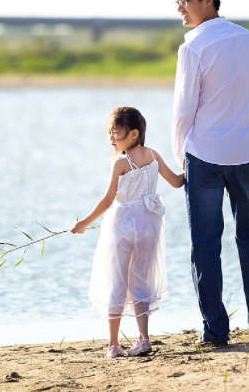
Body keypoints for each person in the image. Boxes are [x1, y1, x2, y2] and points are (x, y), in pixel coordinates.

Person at [172, 0, 249, 346]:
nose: (181, 9)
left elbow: (183, 112)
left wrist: (179, 152)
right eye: (177, 3)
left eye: (185, 1)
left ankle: (216, 332)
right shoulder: (248, 39)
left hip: (203, 154)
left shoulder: (192, 48)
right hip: (243, 152)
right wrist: (247, 139)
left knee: (205, 243)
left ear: (209, 0)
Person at [71, 107, 185, 358]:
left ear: (134, 134)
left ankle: (113, 344)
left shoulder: (121, 163)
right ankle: (143, 339)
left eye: (117, 133)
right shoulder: (153, 155)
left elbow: (107, 200)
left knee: (117, 278)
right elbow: (177, 182)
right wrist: (191, 166)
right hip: (150, 224)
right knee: (140, 278)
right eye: (110, 133)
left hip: (122, 225)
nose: (112, 138)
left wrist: (85, 223)